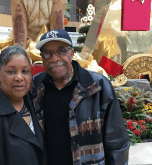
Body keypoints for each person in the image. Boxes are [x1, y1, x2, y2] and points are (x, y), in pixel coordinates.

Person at [30, 29, 130, 165]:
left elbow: (117, 142)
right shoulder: (35, 87)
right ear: (42, 58)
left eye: (61, 51)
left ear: (71, 53)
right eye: (48, 53)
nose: (54, 58)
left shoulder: (97, 86)